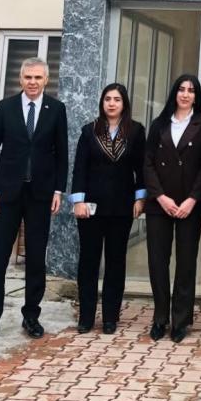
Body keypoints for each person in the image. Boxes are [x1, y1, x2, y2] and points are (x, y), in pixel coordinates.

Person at [0, 57, 68, 340]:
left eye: (38, 78)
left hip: (40, 195)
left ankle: (31, 316)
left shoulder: (56, 109)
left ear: (46, 80)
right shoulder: (4, 108)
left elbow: (62, 154)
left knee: (36, 259)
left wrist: (58, 191)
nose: (32, 82)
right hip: (6, 195)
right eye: (28, 77)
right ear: (20, 79)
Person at [70, 83, 146, 335]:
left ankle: (111, 317)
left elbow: (141, 169)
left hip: (122, 207)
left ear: (124, 104)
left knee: (116, 262)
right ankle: (86, 316)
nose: (111, 103)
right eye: (107, 99)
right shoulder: (89, 130)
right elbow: (79, 168)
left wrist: (140, 198)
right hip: (91, 207)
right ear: (102, 103)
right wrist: (78, 201)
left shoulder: (135, 131)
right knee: (88, 262)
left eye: (117, 99)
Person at [143, 74, 201, 343]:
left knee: (185, 262)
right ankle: (160, 317)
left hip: (189, 205)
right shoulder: (160, 123)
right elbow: (147, 162)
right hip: (160, 203)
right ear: (174, 93)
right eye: (181, 89)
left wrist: (193, 199)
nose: (185, 94)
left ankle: (180, 320)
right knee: (157, 261)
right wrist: (160, 197)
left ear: (196, 96)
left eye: (191, 90)